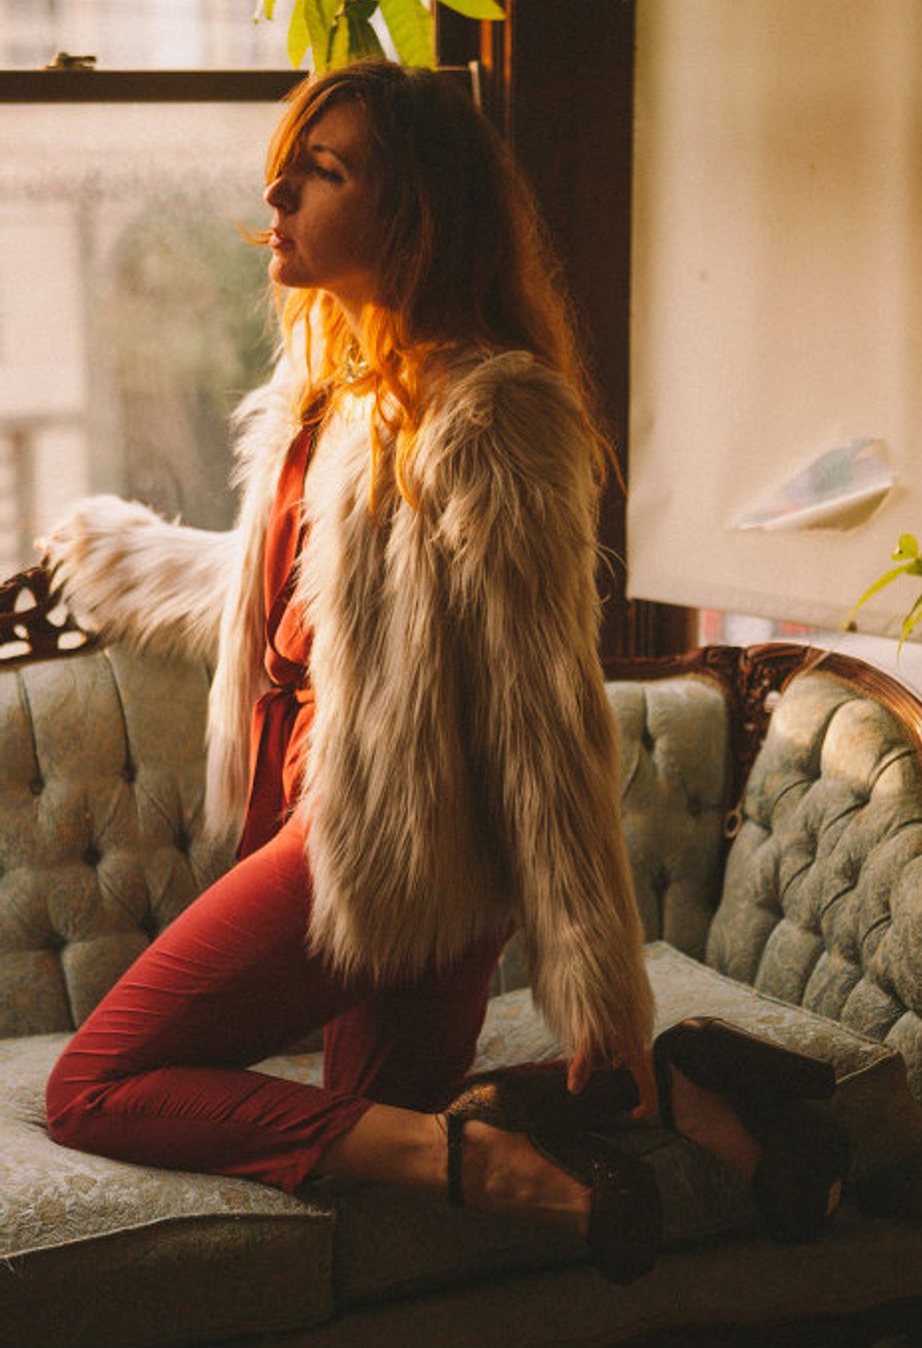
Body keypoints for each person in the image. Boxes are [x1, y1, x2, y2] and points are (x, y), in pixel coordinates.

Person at [42, 62, 843, 1286]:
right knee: (375, 1127)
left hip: (383, 848)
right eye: (286, 166)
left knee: (93, 1084)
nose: (278, 193)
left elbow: (544, 713)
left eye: (323, 172)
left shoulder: (494, 414)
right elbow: (296, 600)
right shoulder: (322, 401)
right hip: (374, 855)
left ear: (412, 212)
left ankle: (485, 1159)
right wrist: (124, 557)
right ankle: (675, 1088)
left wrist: (594, 981)